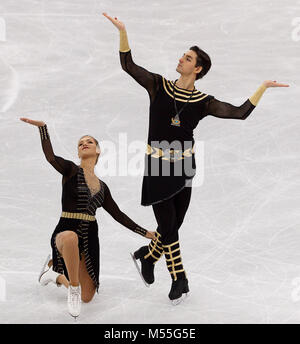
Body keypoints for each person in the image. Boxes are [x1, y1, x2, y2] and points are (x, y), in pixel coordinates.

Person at [103, 13, 290, 305]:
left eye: (187, 58)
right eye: (182, 56)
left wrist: (262, 88)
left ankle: (147, 256)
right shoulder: (158, 86)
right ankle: (179, 278)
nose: (181, 60)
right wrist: (123, 32)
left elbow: (239, 113)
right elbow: (128, 65)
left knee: (172, 226)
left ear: (198, 68)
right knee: (168, 224)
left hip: (184, 168)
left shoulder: (203, 102)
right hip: (157, 167)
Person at [20, 117, 156, 318]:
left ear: (98, 150)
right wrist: (43, 129)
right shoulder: (70, 170)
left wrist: (145, 233)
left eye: (89, 142)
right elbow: (50, 157)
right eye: (80, 143)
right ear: (77, 152)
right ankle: (72, 288)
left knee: (87, 296)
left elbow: (118, 214)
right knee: (70, 238)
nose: (84, 143)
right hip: (65, 229)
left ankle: (54, 275)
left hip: (90, 237)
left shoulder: (102, 187)